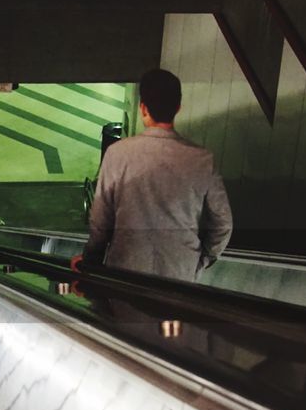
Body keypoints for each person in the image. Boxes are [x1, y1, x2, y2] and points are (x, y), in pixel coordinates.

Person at [72, 69, 233, 282]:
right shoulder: (202, 159)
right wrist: (201, 259)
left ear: (143, 108)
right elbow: (223, 223)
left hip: (125, 271)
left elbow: (101, 221)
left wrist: (90, 262)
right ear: (178, 108)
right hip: (180, 274)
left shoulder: (118, 153)